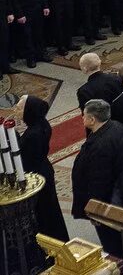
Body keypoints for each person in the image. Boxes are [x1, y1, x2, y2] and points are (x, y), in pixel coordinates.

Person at [72, 99, 123, 256]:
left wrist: (95, 209)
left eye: (83, 115)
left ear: (92, 119)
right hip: (114, 190)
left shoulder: (100, 145)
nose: (82, 118)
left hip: (104, 201)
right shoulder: (117, 126)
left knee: (110, 238)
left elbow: (99, 180)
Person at [15, 95, 69, 241]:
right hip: (44, 168)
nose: (16, 111)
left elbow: (26, 157)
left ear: (29, 110)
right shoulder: (41, 123)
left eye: (20, 108)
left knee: (44, 211)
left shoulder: (33, 134)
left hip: (37, 174)